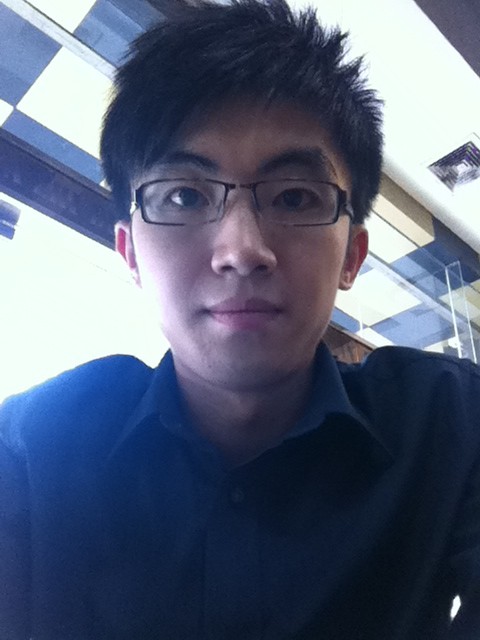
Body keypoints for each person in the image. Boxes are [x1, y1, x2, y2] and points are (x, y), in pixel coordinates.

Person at [1, 0, 479, 638]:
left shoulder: (450, 422)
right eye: (183, 195)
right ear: (131, 253)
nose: (242, 250)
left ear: (352, 255)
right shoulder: (28, 451)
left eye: (294, 197)